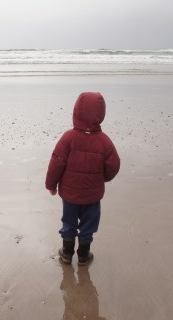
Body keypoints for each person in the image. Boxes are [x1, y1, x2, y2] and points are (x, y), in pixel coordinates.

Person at [45, 92, 120, 266]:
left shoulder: (68, 138)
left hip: (70, 194)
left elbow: (56, 162)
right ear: (101, 114)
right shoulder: (104, 141)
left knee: (69, 222)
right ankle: (84, 255)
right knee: (89, 224)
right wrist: (104, 178)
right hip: (92, 196)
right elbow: (114, 165)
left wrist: (51, 184)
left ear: (76, 112)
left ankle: (67, 253)